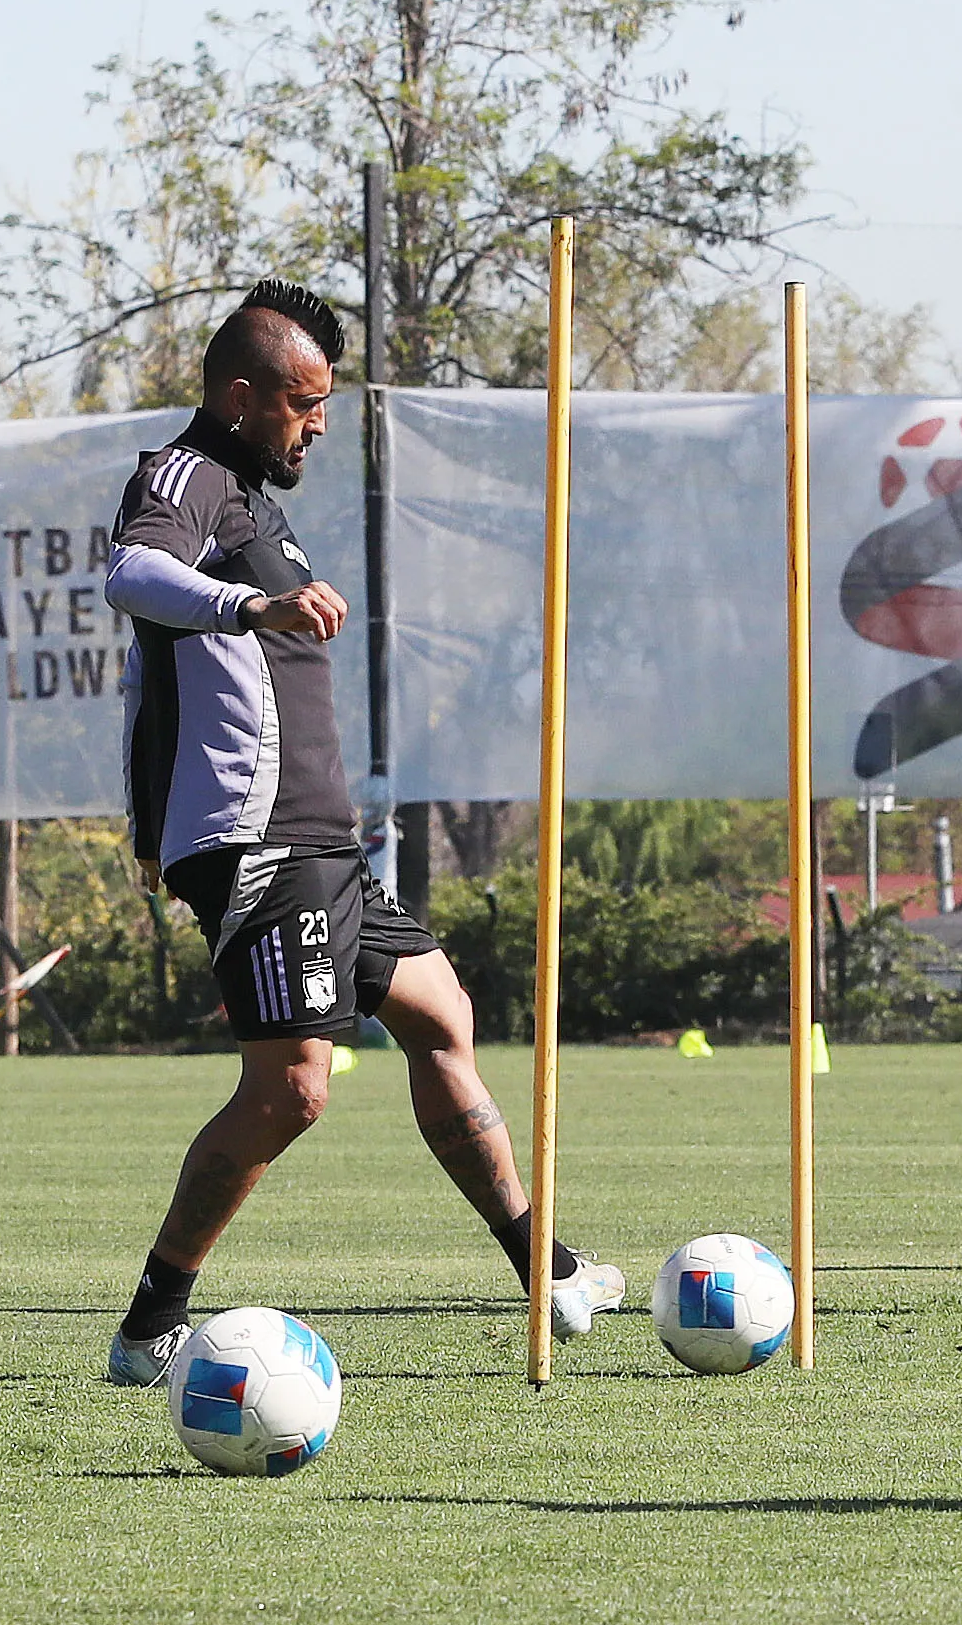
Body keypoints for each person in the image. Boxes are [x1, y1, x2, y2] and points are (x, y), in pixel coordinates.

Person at [100, 280, 626, 1385]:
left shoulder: (252, 493)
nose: (318, 424)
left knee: (443, 1011)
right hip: (258, 841)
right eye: (302, 403)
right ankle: (151, 1327)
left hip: (319, 840)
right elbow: (133, 575)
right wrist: (249, 606)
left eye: (325, 402)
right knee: (293, 1088)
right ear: (240, 397)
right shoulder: (183, 476)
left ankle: (549, 1270)